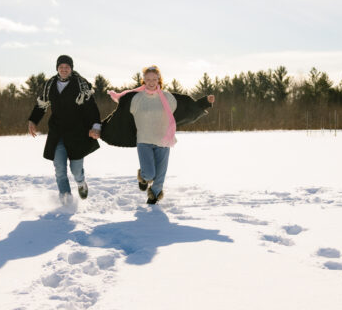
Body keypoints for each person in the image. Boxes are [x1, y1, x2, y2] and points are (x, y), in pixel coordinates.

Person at [101, 65, 215, 204]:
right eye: (148, 79)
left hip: (163, 141)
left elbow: (186, 109)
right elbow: (120, 115)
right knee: (149, 173)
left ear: (159, 80)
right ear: (144, 80)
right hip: (144, 141)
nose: (151, 82)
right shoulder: (136, 99)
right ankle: (143, 177)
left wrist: (204, 102)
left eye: (154, 79)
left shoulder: (168, 97)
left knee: (159, 176)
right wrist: (100, 127)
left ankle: (154, 196)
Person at [27, 55, 102, 203]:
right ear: (57, 68)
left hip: (77, 132)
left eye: (67, 67)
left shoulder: (81, 84)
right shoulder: (50, 84)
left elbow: (91, 107)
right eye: (61, 67)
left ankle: (81, 183)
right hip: (57, 132)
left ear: (71, 68)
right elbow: (41, 105)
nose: (64, 69)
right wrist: (33, 120)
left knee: (75, 169)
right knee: (60, 168)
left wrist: (95, 126)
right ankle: (66, 198)